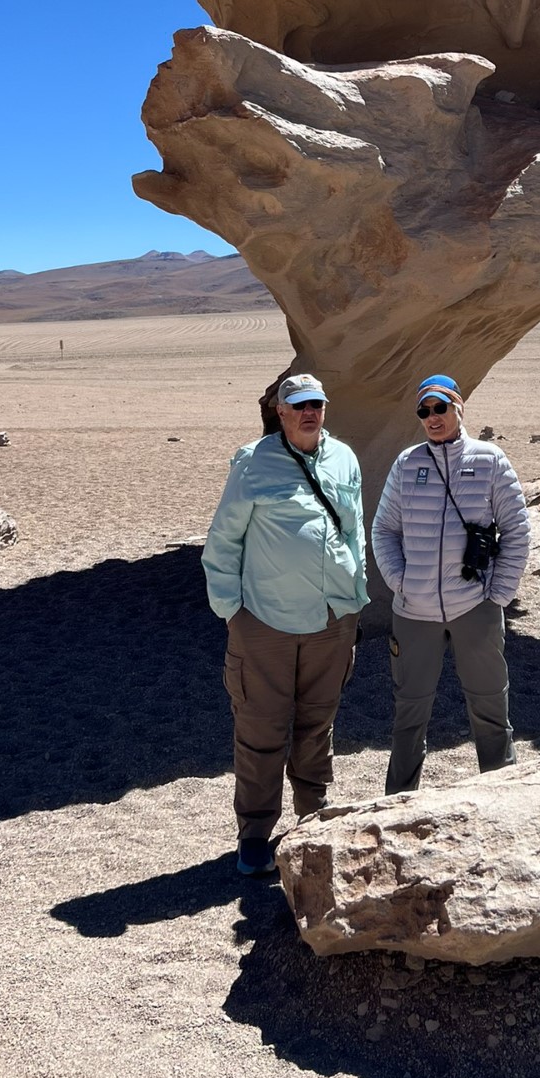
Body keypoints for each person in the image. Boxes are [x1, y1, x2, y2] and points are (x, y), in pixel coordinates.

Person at [202, 371, 368, 877]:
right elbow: (223, 540)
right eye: (299, 405)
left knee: (317, 722)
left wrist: (355, 595)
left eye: (316, 404)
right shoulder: (253, 462)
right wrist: (232, 612)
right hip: (265, 620)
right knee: (261, 728)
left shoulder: (344, 458)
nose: (309, 413)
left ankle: (312, 812)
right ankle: (255, 834)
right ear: (281, 412)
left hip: (332, 619)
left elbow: (354, 529)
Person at [372, 373, 531, 795]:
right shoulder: (407, 464)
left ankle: (502, 798)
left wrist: (498, 595)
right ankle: (398, 803)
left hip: (474, 606)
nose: (432, 417)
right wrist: (401, 582)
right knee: (409, 714)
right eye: (423, 410)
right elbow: (384, 529)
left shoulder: (490, 460)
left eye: (440, 407)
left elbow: (517, 530)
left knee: (490, 708)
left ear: (458, 408)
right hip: (414, 611)